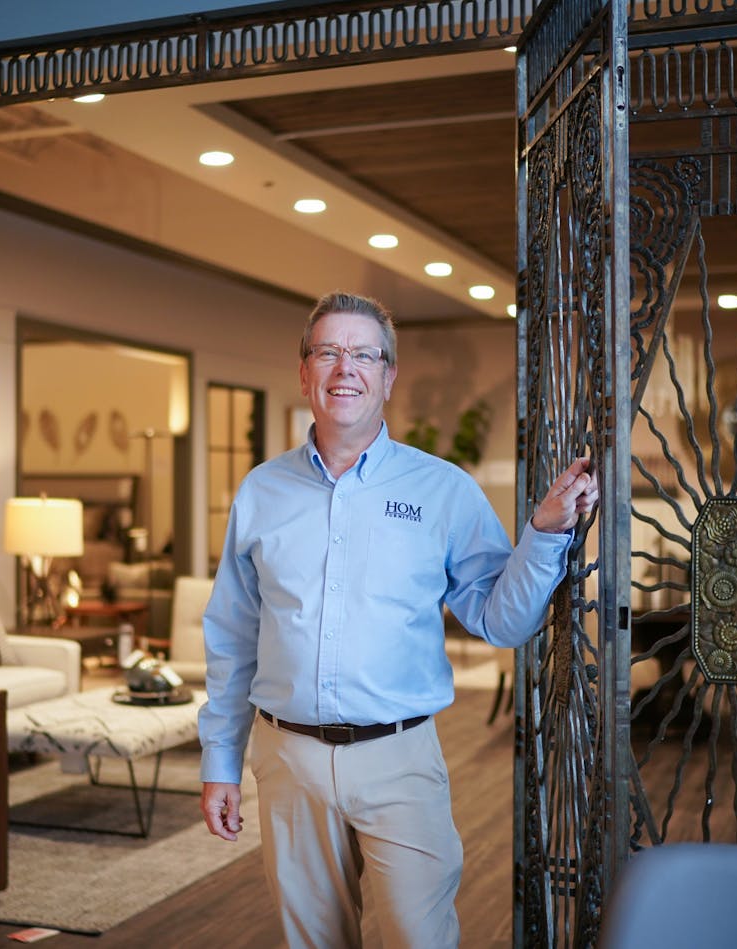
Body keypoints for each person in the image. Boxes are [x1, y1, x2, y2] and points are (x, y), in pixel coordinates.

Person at [198, 291, 598, 948]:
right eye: (327, 351)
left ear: (388, 375)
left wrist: (545, 533)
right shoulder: (261, 492)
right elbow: (234, 634)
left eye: (363, 353)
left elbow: (500, 618)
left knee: (419, 937)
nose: (344, 367)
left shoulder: (442, 489)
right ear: (304, 373)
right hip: (287, 760)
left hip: (399, 758)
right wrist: (220, 759)